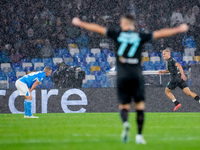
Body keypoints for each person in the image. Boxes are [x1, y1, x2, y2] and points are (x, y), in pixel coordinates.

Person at [72, 14, 189, 144]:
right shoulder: (139, 36)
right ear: (133, 26)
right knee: (139, 106)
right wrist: (178, 29)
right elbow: (160, 33)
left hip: (122, 75)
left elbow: (98, 28)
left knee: (124, 106)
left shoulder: (117, 35)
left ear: (123, 24)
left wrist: (81, 23)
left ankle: (126, 123)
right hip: (136, 75)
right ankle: (139, 135)